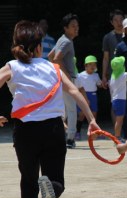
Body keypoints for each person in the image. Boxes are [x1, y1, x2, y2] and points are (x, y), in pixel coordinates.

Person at [0, 20, 100, 198]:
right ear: (38, 48)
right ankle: (51, 189)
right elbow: (74, 90)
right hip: (54, 129)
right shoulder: (52, 68)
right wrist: (92, 120)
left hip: (25, 132)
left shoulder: (11, 67)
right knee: (56, 180)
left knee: (28, 181)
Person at [49, 13, 79, 148]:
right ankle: (70, 138)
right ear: (65, 28)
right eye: (73, 26)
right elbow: (56, 58)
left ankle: (58, 134)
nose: (76, 28)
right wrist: (65, 75)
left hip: (60, 79)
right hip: (67, 79)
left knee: (64, 110)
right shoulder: (66, 41)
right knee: (72, 109)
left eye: (77, 26)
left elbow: (50, 56)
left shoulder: (62, 39)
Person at [109, 56, 127, 141]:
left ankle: (117, 137)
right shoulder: (122, 75)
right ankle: (117, 138)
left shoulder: (113, 77)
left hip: (115, 100)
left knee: (119, 120)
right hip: (120, 100)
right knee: (119, 121)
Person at [75, 55, 102, 140]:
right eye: (90, 64)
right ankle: (77, 132)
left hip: (93, 95)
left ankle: (93, 133)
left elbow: (99, 84)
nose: (93, 66)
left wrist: (103, 84)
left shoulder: (96, 75)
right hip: (83, 95)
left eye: (94, 64)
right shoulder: (80, 75)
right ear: (86, 65)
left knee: (93, 114)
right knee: (82, 115)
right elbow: (79, 87)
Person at [101, 9, 125, 88]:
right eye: (116, 20)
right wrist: (104, 76)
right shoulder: (107, 37)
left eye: (121, 20)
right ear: (111, 22)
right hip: (113, 75)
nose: (119, 23)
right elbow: (106, 58)